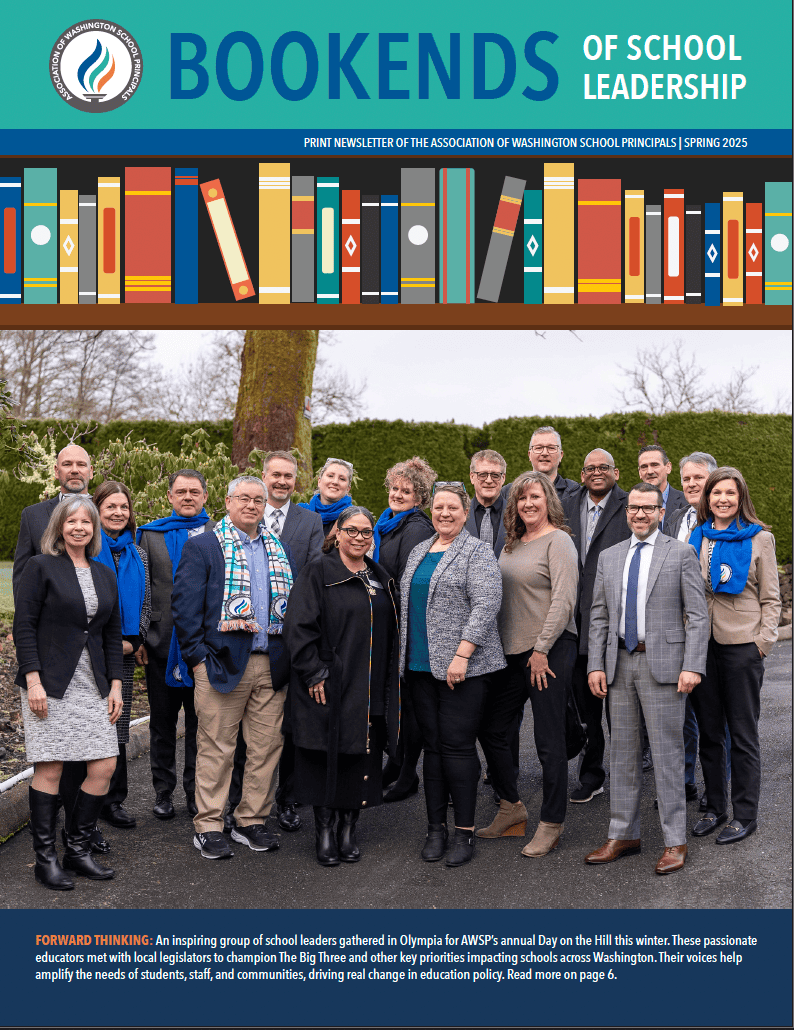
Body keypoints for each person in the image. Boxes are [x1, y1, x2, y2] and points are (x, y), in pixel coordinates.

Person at [585, 483, 708, 876]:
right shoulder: (609, 556)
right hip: (619, 665)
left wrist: (693, 665)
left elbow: (698, 615)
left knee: (668, 754)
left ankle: (675, 841)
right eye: (633, 508)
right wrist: (595, 665)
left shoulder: (681, 553)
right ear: (627, 512)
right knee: (621, 753)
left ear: (660, 511)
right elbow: (600, 616)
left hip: (665, 667)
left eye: (648, 508)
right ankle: (624, 834)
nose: (639, 514)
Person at [172, 476, 294, 860]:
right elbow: (184, 608)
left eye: (259, 500)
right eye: (244, 498)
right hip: (221, 665)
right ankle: (209, 825)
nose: (252, 505)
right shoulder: (204, 546)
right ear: (227, 501)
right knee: (217, 747)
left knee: (265, 748)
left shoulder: (279, 549)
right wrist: (197, 660)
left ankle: (251, 820)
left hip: (270, 664)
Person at [14, 497, 123, 889]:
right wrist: (33, 680)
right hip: (50, 684)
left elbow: (111, 633)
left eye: (87, 522)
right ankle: (45, 860)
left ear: (94, 529)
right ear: (59, 526)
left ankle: (77, 851)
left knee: (104, 765)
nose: (80, 527)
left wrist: (115, 684)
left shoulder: (103, 573)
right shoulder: (40, 567)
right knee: (52, 767)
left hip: (93, 684)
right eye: (72, 521)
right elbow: (23, 627)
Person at [284, 506, 399, 866]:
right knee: (324, 757)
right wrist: (314, 672)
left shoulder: (380, 575)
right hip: (331, 683)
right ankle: (324, 831)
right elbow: (298, 626)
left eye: (366, 532)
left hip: (370, 686)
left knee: (362, 756)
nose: (360, 538)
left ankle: (349, 829)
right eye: (352, 531)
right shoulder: (319, 571)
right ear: (337, 532)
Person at [399, 483, 505, 867]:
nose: (445, 513)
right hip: (419, 667)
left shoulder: (476, 551)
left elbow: (487, 603)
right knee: (433, 748)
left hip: (465, 668)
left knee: (458, 747)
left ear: (465, 513)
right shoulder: (418, 550)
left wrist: (462, 654)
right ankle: (435, 830)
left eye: (453, 508)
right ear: (431, 511)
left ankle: (464, 833)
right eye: (439, 507)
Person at [478, 472, 579, 857]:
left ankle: (551, 823)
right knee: (492, 727)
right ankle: (511, 808)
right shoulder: (512, 544)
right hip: (511, 653)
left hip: (548, 652)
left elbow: (564, 600)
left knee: (548, 743)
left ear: (548, 499)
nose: (528, 504)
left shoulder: (560, 541)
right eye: (521, 499)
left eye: (535, 496)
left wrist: (542, 648)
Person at [226, 451, 324, 835]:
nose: (281, 481)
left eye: (288, 476)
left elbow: (314, 571)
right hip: (240, 640)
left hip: (289, 638)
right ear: (263, 477)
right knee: (236, 734)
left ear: (295, 482)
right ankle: (235, 803)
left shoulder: (310, 521)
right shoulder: (240, 519)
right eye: (275, 475)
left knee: (281, 731)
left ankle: (284, 801)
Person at [688, 467, 781, 844]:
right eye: (715, 493)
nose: (722, 499)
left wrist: (763, 643)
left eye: (729, 492)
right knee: (709, 734)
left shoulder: (760, 539)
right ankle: (715, 808)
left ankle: (745, 815)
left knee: (742, 735)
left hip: (743, 646)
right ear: (707, 499)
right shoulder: (697, 536)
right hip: (700, 646)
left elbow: (771, 599)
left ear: (740, 497)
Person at [137, 470, 214, 821]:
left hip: (204, 648)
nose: (187, 497)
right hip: (160, 645)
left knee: (202, 727)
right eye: (180, 491)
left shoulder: (218, 534)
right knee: (163, 725)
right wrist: (140, 637)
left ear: (205, 496)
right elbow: (141, 589)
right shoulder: (149, 535)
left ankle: (195, 792)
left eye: (194, 492)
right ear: (169, 495)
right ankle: (163, 792)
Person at [561, 449, 630, 804]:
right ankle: (591, 775)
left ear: (615, 472)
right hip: (575, 622)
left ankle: (628, 777)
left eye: (603, 467)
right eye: (590, 468)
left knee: (620, 711)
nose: (597, 472)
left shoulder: (630, 505)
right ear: (582, 473)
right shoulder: (568, 504)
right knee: (586, 710)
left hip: (616, 621)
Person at [662, 451, 724, 810]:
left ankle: (718, 786)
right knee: (680, 715)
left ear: (713, 481)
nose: (690, 484)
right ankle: (685, 782)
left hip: (711, 631)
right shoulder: (673, 518)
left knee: (715, 718)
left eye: (698, 478)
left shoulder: (722, 522)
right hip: (674, 628)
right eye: (685, 479)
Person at [372, 456, 436, 802]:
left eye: (406, 490)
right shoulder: (387, 523)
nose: (397, 494)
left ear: (420, 497)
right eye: (394, 488)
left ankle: (408, 773)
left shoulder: (416, 528)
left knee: (407, 705)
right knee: (393, 701)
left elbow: (408, 584)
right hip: (385, 624)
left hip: (403, 628)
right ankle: (395, 765)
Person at [89, 481, 151, 831]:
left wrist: (136, 639)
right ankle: (86, 804)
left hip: (124, 652)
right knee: (89, 724)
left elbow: (146, 603)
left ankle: (113, 801)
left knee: (118, 724)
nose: (117, 513)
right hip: (88, 653)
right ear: (97, 509)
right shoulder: (85, 548)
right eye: (110, 506)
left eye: (123, 507)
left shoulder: (138, 553)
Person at [298, 457, 356, 539]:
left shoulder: (355, 518)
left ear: (348, 488)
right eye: (330, 476)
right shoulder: (300, 513)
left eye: (342, 479)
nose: (335, 482)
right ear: (319, 481)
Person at [466, 449, 508, 556]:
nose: (489, 480)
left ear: (503, 478)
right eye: (482, 474)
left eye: (495, 475)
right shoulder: (458, 514)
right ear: (472, 477)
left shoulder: (517, 514)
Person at [637, 446, 685, 531]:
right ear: (639, 472)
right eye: (644, 467)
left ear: (668, 467)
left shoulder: (686, 502)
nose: (650, 471)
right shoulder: (629, 505)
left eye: (655, 465)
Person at [527, 426, 578, 501]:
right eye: (538, 448)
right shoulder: (511, 491)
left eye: (551, 448)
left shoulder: (574, 492)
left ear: (561, 455)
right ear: (529, 455)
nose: (544, 453)